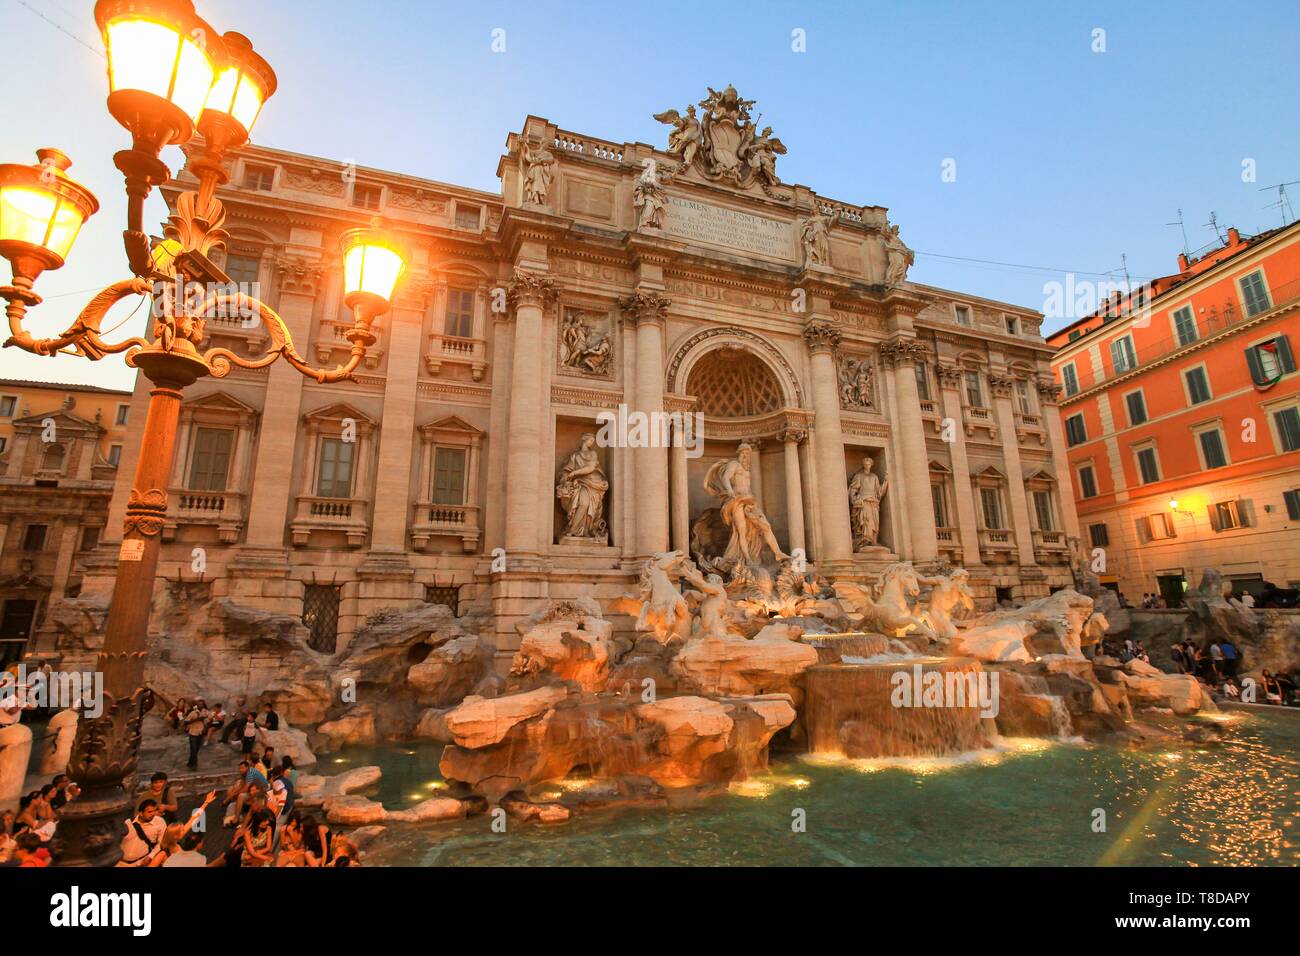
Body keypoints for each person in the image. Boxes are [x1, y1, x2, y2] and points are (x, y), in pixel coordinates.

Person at [150, 790, 215, 867]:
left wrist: (205, 803)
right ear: (175, 836)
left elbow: (192, 819)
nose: (184, 831)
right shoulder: (163, 853)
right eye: (182, 830)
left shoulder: (178, 845)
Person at [119, 799, 166, 866]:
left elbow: (161, 843)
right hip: (120, 863)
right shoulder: (128, 823)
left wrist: (150, 856)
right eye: (149, 812)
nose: (153, 814)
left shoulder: (159, 822)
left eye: (155, 810)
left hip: (140, 863)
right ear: (140, 813)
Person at [184, 700, 208, 770]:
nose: (200, 705)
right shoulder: (193, 713)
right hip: (193, 732)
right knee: (193, 749)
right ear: (196, 705)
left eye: (202, 704)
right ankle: (194, 765)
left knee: (196, 749)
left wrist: (206, 728)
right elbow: (186, 722)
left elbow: (210, 720)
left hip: (201, 732)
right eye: (199, 704)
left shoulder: (205, 712)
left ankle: (190, 762)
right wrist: (197, 719)